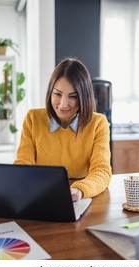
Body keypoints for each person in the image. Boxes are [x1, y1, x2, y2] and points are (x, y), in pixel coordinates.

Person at [14, 58, 112, 201]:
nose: (63, 104)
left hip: (81, 198)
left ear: (84, 98)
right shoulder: (33, 118)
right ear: (50, 92)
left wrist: (79, 189)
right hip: (40, 195)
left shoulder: (98, 123)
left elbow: (102, 171)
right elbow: (23, 164)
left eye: (72, 96)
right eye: (57, 94)